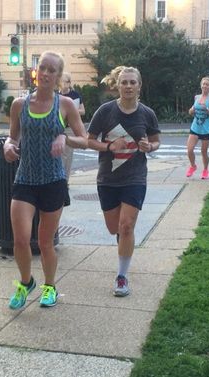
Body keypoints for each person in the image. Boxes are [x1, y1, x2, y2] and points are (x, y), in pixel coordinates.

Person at [3, 51, 88, 309]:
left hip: (53, 180)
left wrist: (65, 137)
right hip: (25, 179)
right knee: (20, 239)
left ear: (58, 77)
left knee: (45, 242)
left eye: (52, 70)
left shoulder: (65, 105)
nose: (46, 74)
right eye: (43, 68)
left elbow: (84, 140)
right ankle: (25, 282)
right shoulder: (19, 105)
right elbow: (12, 137)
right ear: (36, 71)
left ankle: (49, 286)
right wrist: (8, 146)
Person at [84, 66, 161, 297]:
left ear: (139, 86)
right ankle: (123, 242)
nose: (128, 86)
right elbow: (89, 141)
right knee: (113, 228)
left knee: (126, 226)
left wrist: (150, 147)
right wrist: (108, 146)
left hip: (135, 177)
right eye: (124, 82)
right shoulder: (105, 112)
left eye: (132, 82)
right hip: (108, 178)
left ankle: (122, 276)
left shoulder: (147, 113)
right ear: (117, 86)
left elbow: (157, 140)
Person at [185, 76, 209, 179]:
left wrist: (208, 110)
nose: (205, 86)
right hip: (195, 127)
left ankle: (205, 170)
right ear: (201, 85)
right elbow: (191, 111)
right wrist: (191, 110)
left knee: (204, 152)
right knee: (189, 150)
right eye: (203, 84)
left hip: (206, 129)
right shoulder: (196, 97)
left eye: (207, 84)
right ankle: (193, 166)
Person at [59, 72, 86, 176]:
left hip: (69, 128)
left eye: (63, 81)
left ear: (69, 83)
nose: (61, 83)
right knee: (57, 155)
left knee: (67, 155)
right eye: (60, 81)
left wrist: (71, 110)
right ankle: (59, 178)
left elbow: (83, 111)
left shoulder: (75, 95)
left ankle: (65, 180)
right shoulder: (56, 95)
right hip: (58, 128)